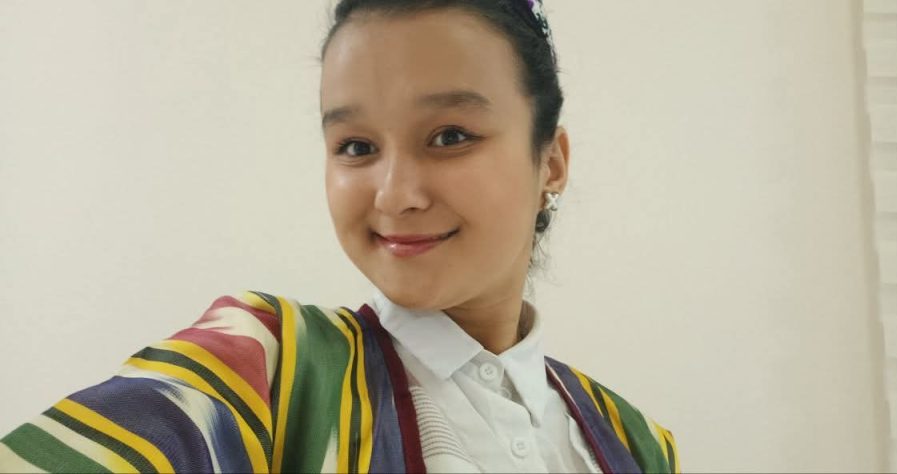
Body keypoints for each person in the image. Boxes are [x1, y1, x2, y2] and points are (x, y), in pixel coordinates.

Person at [0, 0, 679, 472]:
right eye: (355, 146)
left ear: (550, 160)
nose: (395, 194)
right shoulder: (266, 369)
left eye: (449, 136)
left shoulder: (637, 443)